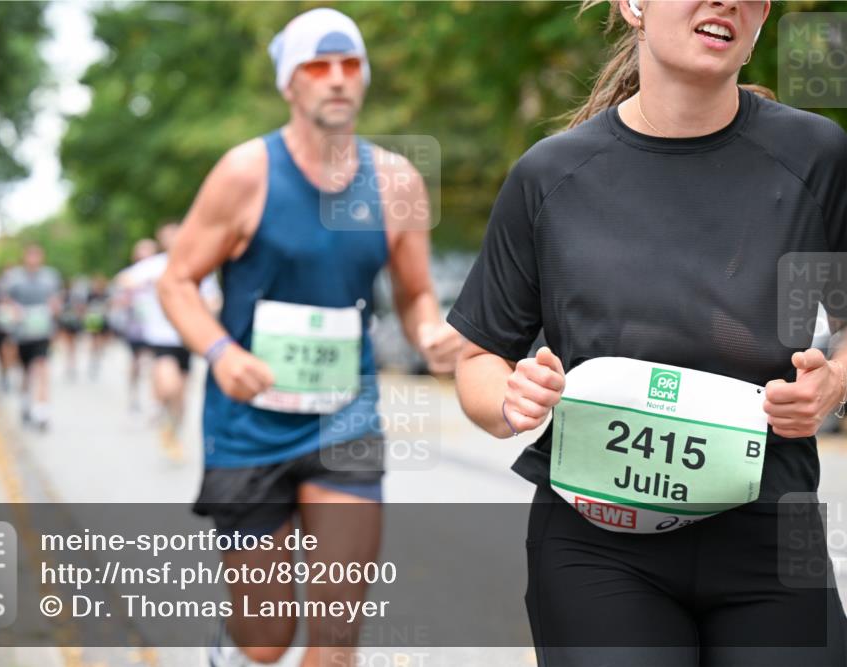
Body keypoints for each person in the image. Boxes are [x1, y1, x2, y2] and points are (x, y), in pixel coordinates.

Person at [447, 1, 847, 665]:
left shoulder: (817, 157)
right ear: (633, 5)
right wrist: (511, 398)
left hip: (773, 536)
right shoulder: (550, 177)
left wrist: (833, 382)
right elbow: (478, 356)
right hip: (596, 546)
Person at [157, 8, 461, 666]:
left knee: (337, 634)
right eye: (318, 66)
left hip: (345, 418)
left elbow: (414, 292)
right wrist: (221, 352)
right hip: (248, 426)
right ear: (288, 83)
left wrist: (430, 332)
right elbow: (176, 282)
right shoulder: (245, 173)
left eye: (350, 64)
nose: (337, 78)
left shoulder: (397, 182)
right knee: (267, 639)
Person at [119, 223, 196, 459]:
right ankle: (161, 412)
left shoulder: (196, 261)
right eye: (168, 236)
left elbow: (213, 298)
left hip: (188, 337)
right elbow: (124, 279)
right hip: (161, 337)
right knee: (169, 385)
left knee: (182, 395)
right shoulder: (154, 265)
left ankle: (174, 433)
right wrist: (148, 283)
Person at [3, 244, 62, 431]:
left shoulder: (50, 277)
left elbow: (56, 300)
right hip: (22, 333)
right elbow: (7, 299)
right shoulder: (14, 278)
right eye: (30, 256)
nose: (33, 259)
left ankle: (42, 411)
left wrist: (53, 309)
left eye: (37, 256)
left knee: (42, 367)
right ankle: (25, 403)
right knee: (26, 372)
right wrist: (15, 311)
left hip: (43, 332)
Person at [114, 238, 159, 414]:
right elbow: (119, 293)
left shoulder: (161, 271)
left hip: (157, 328)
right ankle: (134, 397)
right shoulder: (130, 274)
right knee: (136, 363)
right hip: (135, 327)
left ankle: (155, 401)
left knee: (156, 363)